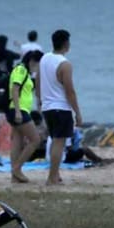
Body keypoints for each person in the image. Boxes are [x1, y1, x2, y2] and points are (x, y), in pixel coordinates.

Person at [40, 30, 83, 186]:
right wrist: (77, 112)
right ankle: (52, 177)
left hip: (47, 107)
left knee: (55, 141)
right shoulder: (64, 64)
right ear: (66, 43)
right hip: (60, 107)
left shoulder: (44, 59)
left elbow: (38, 82)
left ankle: (55, 174)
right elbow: (70, 91)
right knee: (59, 143)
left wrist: (41, 101)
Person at [8, 50, 44, 184]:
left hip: (20, 110)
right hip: (19, 110)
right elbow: (15, 89)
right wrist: (17, 111)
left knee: (17, 142)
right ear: (32, 61)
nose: (38, 68)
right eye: (38, 64)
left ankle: (14, 177)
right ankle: (17, 169)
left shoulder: (25, 72)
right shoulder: (21, 70)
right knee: (35, 139)